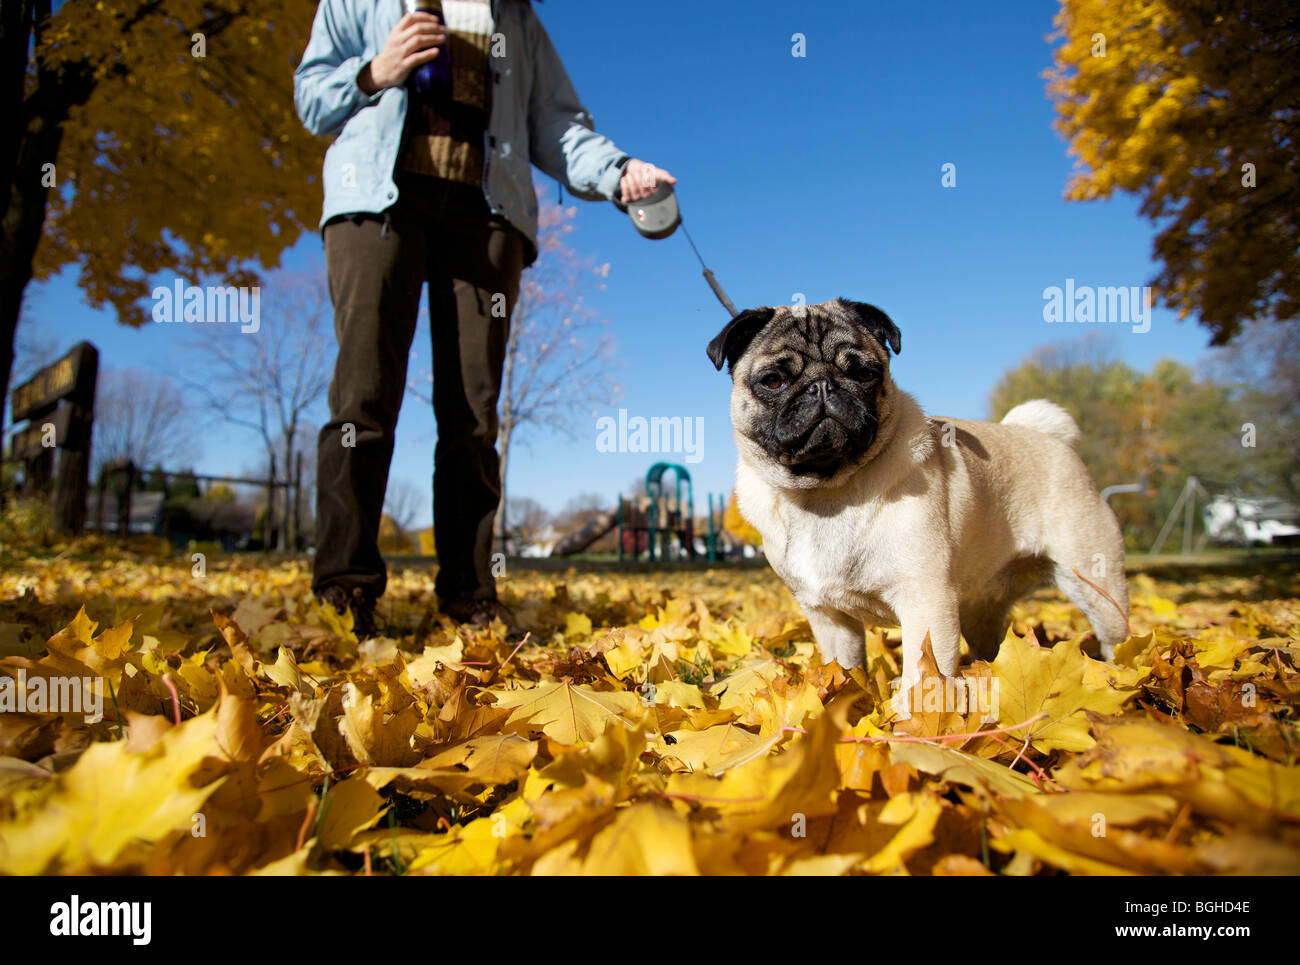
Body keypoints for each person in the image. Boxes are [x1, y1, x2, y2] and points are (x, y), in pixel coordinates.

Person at [294, 0, 674, 637]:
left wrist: (617, 171)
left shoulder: (516, 18)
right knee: (363, 398)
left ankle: (470, 596)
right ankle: (344, 590)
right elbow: (311, 95)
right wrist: (375, 70)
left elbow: (555, 125)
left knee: (473, 412)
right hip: (377, 206)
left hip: (485, 217)